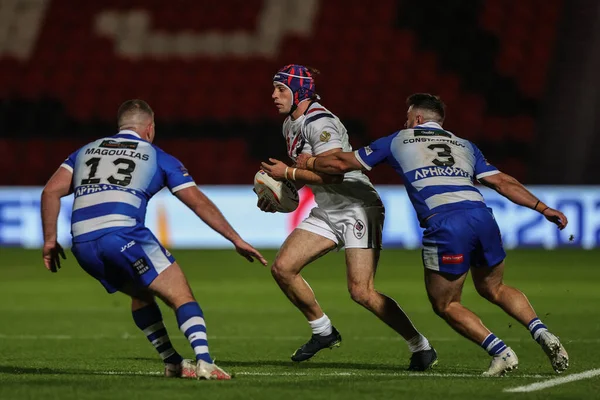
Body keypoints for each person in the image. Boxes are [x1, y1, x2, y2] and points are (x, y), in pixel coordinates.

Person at [295, 93, 570, 376]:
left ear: (416, 119)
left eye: (407, 118)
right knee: (495, 288)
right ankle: (542, 333)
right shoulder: (464, 145)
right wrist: (543, 207)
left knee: (446, 303)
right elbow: (502, 182)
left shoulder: (399, 139)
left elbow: (341, 163)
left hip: (446, 223)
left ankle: (501, 352)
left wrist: (309, 163)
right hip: (482, 216)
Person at [41, 99, 267, 380]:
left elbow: (50, 192)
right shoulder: (157, 155)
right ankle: (205, 362)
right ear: (149, 128)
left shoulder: (84, 151)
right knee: (180, 295)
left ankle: (173, 362)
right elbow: (197, 203)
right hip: (123, 234)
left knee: (140, 293)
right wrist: (236, 238)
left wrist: (50, 239)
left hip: (83, 246)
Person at [259, 65, 437, 370]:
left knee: (361, 292)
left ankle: (421, 346)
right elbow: (310, 173)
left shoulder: (321, 122)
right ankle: (323, 331)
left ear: (299, 91)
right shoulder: (290, 125)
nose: (273, 95)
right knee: (283, 268)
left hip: (358, 206)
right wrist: (280, 192)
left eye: (281, 89)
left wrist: (286, 173)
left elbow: (335, 176)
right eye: (274, 89)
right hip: (329, 209)